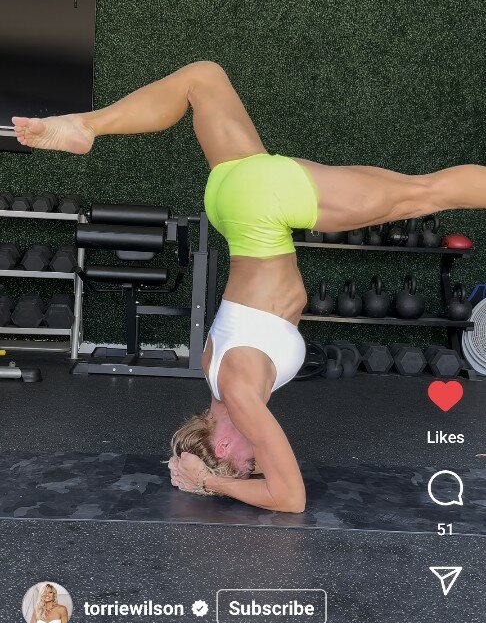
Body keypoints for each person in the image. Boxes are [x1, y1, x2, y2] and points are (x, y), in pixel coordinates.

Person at [13, 62, 486, 513]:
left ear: (222, 444)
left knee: (428, 192)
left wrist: (212, 482)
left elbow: (289, 497)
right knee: (202, 77)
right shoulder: (212, 370)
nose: (256, 463)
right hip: (231, 196)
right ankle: (88, 125)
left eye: (246, 464)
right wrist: (190, 460)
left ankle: (86, 127)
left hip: (264, 205)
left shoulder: (239, 394)